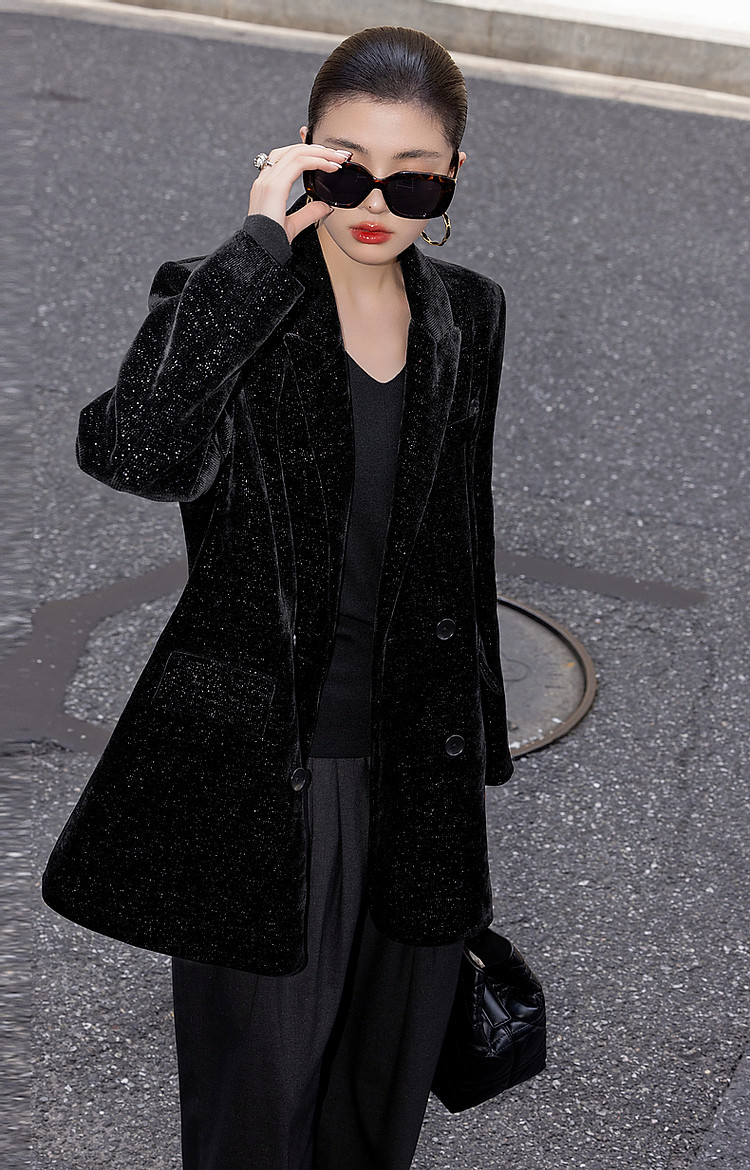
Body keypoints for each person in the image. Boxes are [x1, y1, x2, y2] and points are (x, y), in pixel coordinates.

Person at [41, 23, 515, 1170]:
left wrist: (476, 763)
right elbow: (136, 451)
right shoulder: (231, 298)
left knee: (374, 1116)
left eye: (412, 180)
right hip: (264, 781)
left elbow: (464, 540)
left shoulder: (470, 312)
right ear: (300, 152)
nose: (376, 203)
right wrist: (253, 250)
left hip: (417, 782)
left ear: (454, 176)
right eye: (344, 170)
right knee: (256, 1119)